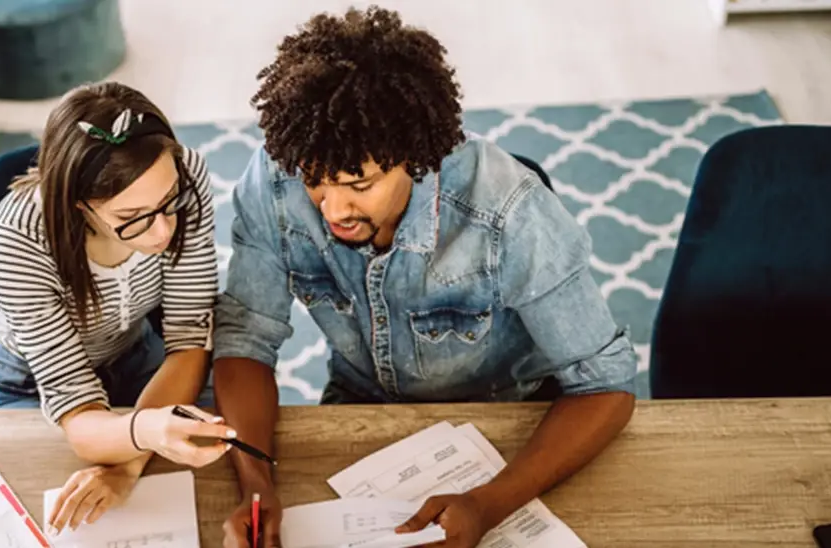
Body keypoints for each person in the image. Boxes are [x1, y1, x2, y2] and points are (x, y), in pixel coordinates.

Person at [213, 7, 637, 547]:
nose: (332, 208)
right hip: (357, 406)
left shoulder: (510, 213)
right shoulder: (275, 181)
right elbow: (246, 337)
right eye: (315, 182)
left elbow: (606, 384)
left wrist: (487, 505)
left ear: (414, 159)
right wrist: (255, 486)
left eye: (358, 184)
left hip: (506, 417)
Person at [0, 82, 236, 534]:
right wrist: (147, 433)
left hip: (137, 353)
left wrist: (127, 467)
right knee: (25, 513)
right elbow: (77, 410)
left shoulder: (185, 173)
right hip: (27, 382)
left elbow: (190, 337)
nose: (162, 232)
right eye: (133, 218)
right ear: (78, 206)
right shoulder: (15, 240)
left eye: (169, 203)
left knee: (222, 467)